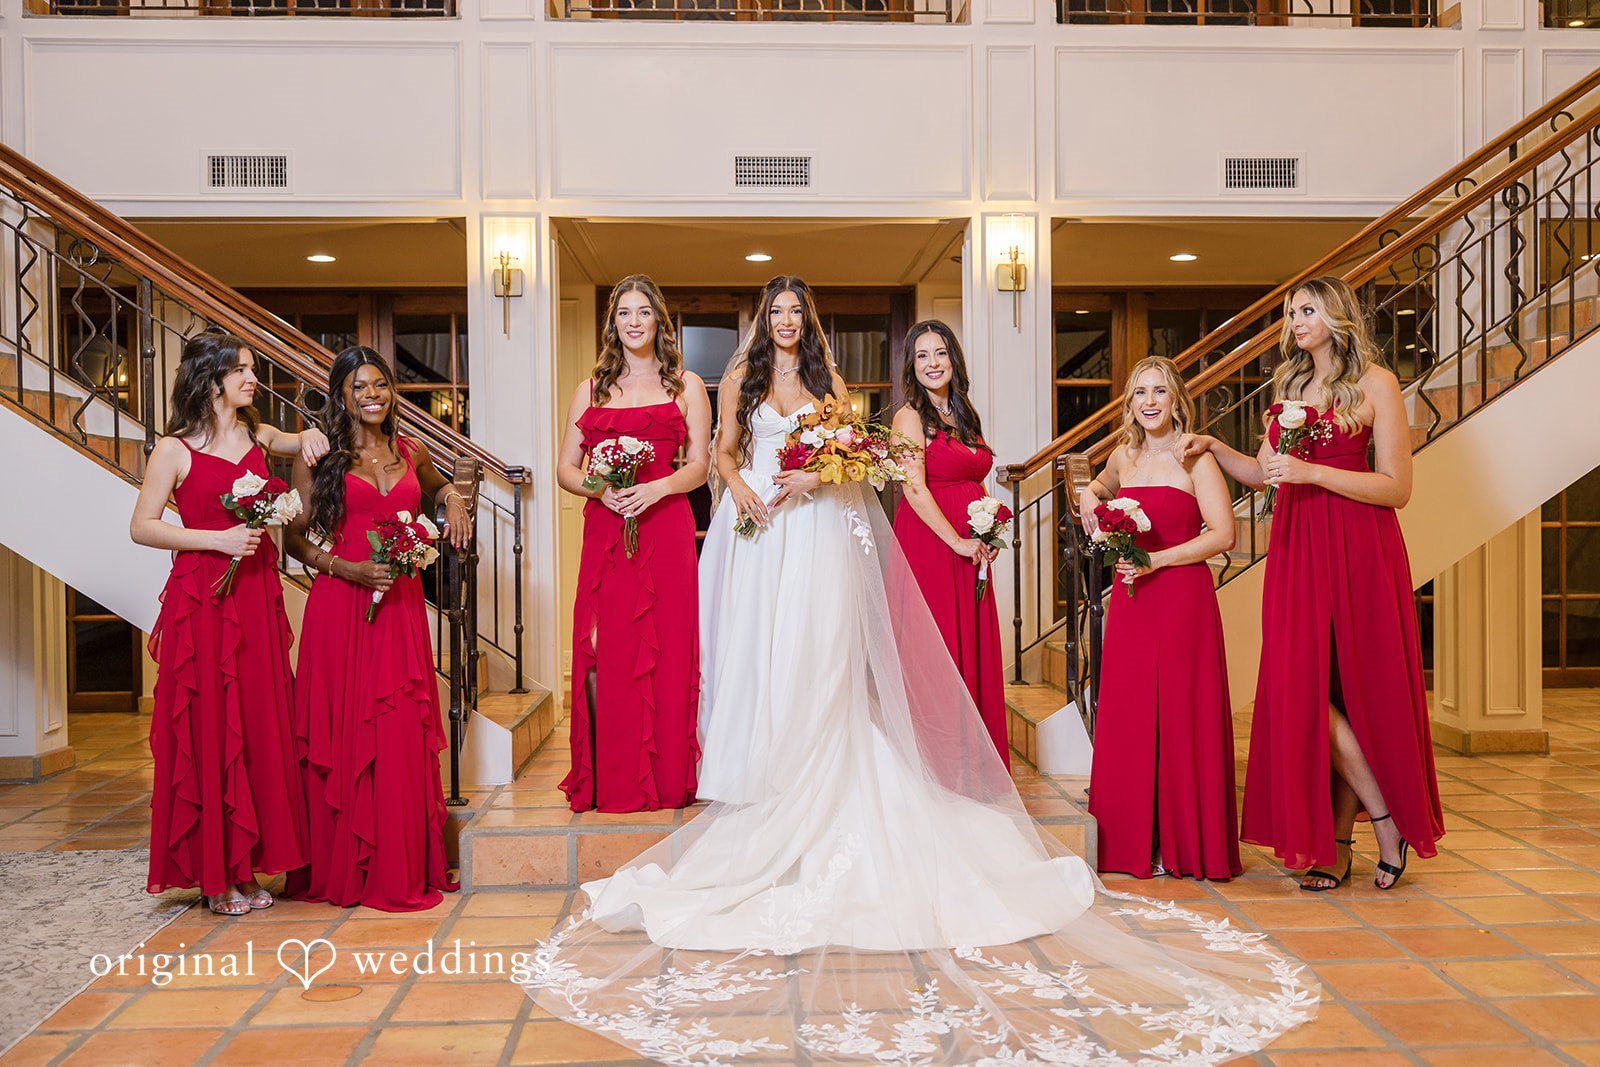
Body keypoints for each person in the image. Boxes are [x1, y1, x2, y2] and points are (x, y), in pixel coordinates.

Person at [515, 277, 1318, 1064]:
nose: (788, 321)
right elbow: (720, 453)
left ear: (810, 320)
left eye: (798, 310)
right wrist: (750, 491)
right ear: (768, 320)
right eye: (778, 311)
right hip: (759, 528)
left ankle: (817, 771)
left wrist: (813, 474)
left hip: (818, 529)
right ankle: (762, 774)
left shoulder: (830, 382)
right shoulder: (742, 379)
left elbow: (855, 462)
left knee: (820, 660)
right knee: (759, 656)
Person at [1181, 276, 1444, 891]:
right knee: (1299, 688)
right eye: (1290, 312)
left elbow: (1397, 488)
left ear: (1336, 314)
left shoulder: (1377, 384)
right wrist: (1219, 447)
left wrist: (1313, 474)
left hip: (1361, 551)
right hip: (1297, 551)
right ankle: (1380, 819)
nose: (1294, 321)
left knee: (1355, 692)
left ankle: (1345, 842)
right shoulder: (1291, 386)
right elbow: (1269, 475)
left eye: (1305, 309)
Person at [130, 330, 328, 915]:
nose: (252, 379)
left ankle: (245, 869)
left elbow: (302, 440)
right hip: (203, 603)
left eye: (251, 368)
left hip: (255, 595)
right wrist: (214, 539)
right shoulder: (174, 449)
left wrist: (313, 434)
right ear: (210, 378)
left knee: (257, 722)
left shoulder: (258, 436)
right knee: (212, 725)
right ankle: (215, 877)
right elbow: (142, 525)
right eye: (241, 370)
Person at [282, 346, 471, 912]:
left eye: (381, 385)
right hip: (342, 606)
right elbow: (293, 540)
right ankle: (347, 865)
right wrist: (349, 569)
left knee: (398, 731)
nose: (372, 395)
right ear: (340, 393)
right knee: (348, 736)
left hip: (401, 608)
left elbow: (436, 487)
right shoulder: (321, 458)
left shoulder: (409, 452)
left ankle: (400, 861)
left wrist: (453, 498)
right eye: (359, 386)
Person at [1078, 356, 1241, 880]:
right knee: (1129, 715)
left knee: (1180, 716)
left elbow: (1224, 535)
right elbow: (1100, 489)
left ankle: (1183, 843)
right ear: (1130, 405)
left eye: (1160, 392)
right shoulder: (1123, 457)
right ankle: (1131, 844)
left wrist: (1158, 560)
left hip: (1181, 600)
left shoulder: (1196, 458)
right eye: (1140, 393)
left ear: (1177, 401)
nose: (1150, 402)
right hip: (1131, 602)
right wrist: (1087, 492)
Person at [555, 275, 711, 813]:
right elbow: (564, 468)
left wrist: (654, 488)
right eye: (624, 313)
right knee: (608, 651)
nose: (634, 322)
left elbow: (699, 466)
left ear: (659, 321)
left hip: (666, 528)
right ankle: (611, 779)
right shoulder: (590, 388)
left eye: (644, 312)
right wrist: (603, 488)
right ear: (612, 323)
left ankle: (667, 779)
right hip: (607, 534)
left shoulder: (685, 385)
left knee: (667, 652)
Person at [891, 320, 1009, 769]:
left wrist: (985, 532)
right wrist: (958, 541)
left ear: (953, 360)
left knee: (970, 648)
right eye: (922, 356)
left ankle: (971, 762)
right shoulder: (908, 417)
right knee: (935, 649)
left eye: (939, 353)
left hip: (969, 549)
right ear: (912, 366)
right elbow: (914, 489)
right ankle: (936, 764)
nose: (932, 363)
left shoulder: (964, 414)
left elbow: (972, 479)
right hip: (931, 546)